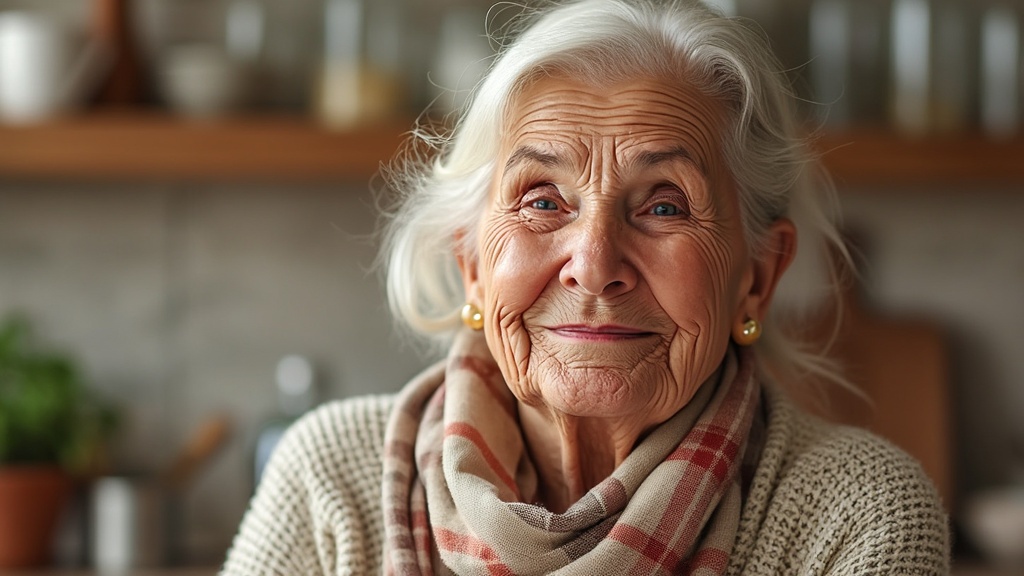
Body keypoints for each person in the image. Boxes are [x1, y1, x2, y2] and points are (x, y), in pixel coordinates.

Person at [222, 0, 950, 574]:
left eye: (664, 205)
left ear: (757, 277)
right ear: (473, 263)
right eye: (542, 201)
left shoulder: (858, 512)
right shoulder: (332, 478)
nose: (595, 262)